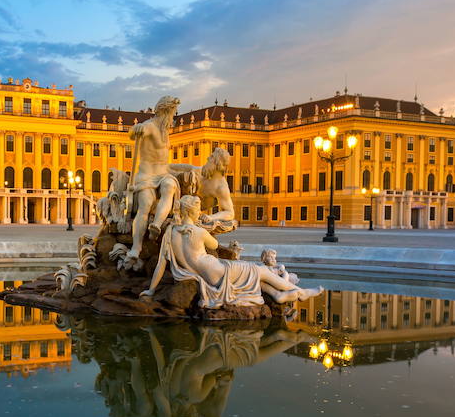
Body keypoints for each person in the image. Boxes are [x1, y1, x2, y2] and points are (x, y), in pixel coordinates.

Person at [142, 196, 322, 309]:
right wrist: (207, 225)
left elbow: (160, 265)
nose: (200, 212)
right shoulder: (199, 232)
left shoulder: (170, 233)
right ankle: (300, 291)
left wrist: (151, 290)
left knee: (255, 276)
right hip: (219, 271)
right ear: (191, 211)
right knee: (260, 270)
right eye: (198, 209)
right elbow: (213, 244)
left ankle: (278, 295)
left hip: (207, 275)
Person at [123, 96, 182, 267]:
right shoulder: (149, 126)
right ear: (164, 111)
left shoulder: (166, 131)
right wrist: (136, 128)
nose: (173, 117)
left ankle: (156, 225)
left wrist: (188, 169)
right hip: (146, 176)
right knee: (145, 204)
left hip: (163, 174)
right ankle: (136, 247)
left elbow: (166, 161)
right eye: (172, 113)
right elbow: (132, 133)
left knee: (170, 186)